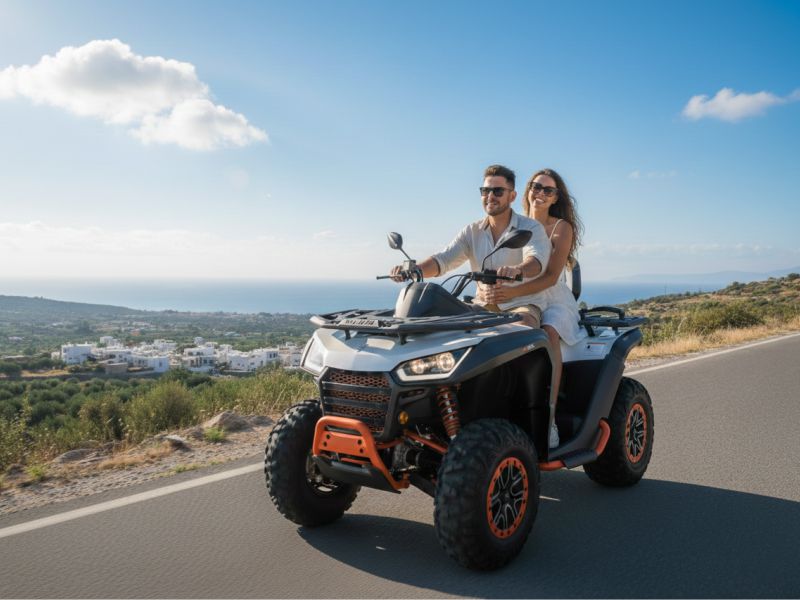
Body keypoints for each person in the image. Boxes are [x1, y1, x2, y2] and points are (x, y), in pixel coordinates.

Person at [481, 168, 585, 448]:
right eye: (536, 187)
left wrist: (512, 291)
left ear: (555, 198)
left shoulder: (561, 227)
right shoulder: (514, 223)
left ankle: (549, 418)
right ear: (527, 191)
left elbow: (550, 276)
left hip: (552, 297)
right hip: (518, 296)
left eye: (548, 190)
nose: (540, 193)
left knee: (548, 333)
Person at [389, 164, 551, 328]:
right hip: (482, 305)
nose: (490, 196)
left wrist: (518, 270)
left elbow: (536, 261)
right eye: (485, 191)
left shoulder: (530, 227)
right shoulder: (472, 231)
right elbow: (444, 260)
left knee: (522, 328)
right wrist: (415, 270)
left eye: (498, 191)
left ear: (512, 196)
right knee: (437, 324)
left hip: (521, 305)